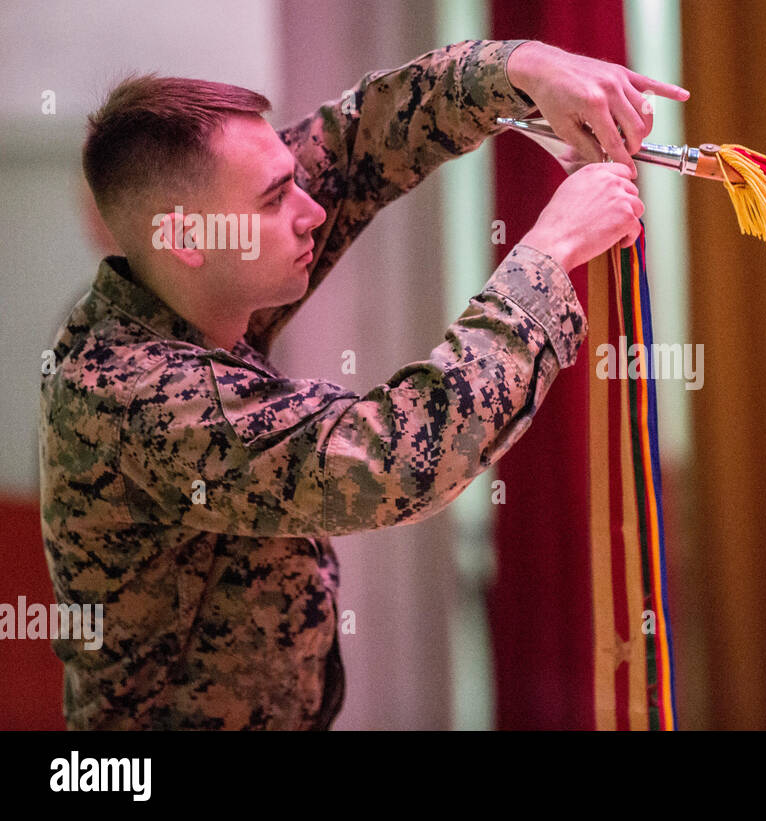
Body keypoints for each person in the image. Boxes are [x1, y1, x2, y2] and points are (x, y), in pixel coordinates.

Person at [39, 38, 689, 730]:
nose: (310, 208)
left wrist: (522, 68)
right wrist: (548, 253)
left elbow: (362, 136)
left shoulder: (195, 274)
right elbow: (391, 459)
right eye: (274, 198)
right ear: (187, 239)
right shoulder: (134, 394)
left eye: (292, 178)